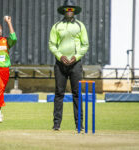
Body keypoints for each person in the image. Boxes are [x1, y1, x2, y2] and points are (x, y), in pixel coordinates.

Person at [48, 0, 89, 131]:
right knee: (59, 93)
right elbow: (52, 44)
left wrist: (75, 57)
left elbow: (85, 44)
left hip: (75, 64)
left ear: (74, 11)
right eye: (67, 9)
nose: (69, 11)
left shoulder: (80, 25)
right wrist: (60, 56)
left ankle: (79, 125)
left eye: (71, 9)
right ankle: (56, 125)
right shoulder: (57, 26)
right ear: (64, 11)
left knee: (77, 93)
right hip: (60, 64)